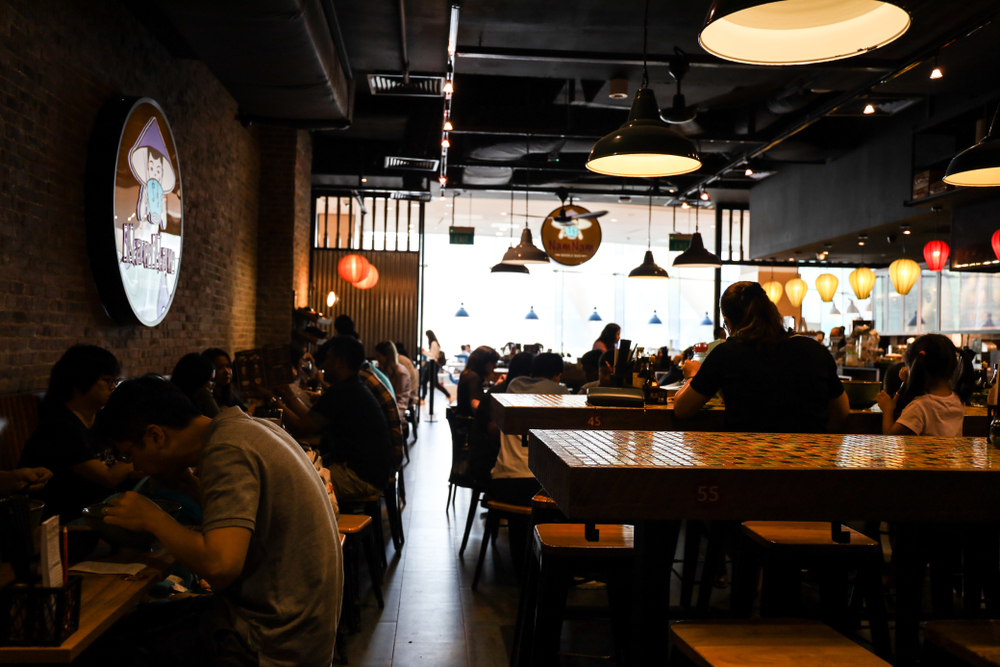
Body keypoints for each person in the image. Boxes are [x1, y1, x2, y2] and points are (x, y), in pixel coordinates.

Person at [92, 376, 341, 667]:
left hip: (273, 641)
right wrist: (190, 487)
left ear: (156, 436)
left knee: (111, 647)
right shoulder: (247, 427)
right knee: (138, 623)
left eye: (130, 453)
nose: (134, 466)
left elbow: (220, 566)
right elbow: (250, 522)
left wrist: (151, 516)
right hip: (303, 627)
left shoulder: (226, 450)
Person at [674, 282, 849, 433]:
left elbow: (682, 409)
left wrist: (692, 376)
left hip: (747, 463)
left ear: (727, 322)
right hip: (813, 464)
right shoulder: (815, 350)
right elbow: (841, 413)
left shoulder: (726, 353)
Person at [18, 345, 135, 523]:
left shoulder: (101, 418)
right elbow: (108, 478)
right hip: (65, 521)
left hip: (97, 511)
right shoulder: (60, 427)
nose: (113, 387)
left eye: (115, 381)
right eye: (107, 380)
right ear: (80, 381)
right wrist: (141, 454)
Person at [280, 337, 395, 499]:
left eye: (328, 359)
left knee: (292, 486)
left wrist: (271, 399)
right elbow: (308, 419)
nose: (324, 364)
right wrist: (286, 394)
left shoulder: (343, 392)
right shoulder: (352, 387)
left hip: (359, 478)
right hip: (372, 474)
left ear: (340, 362)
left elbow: (299, 428)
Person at [491, 352, 568, 574]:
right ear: (558, 375)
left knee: (521, 521)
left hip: (505, 481)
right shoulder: (561, 392)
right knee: (562, 505)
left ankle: (523, 574)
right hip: (540, 484)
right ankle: (557, 571)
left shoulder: (514, 385)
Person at [469, 352, 535, 489]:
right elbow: (494, 435)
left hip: (481, 460)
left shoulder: (496, 391)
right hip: (491, 466)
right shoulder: (505, 396)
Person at [876, 334, 964, 436]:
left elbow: (890, 435)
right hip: (950, 452)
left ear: (916, 369)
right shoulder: (958, 401)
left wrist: (887, 409)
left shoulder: (919, 407)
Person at [170, 353, 220, 418]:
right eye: (211, 380)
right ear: (199, 379)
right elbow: (218, 421)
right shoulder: (181, 408)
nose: (213, 385)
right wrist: (205, 394)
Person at [456, 346, 499, 417]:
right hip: (469, 425)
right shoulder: (474, 377)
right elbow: (475, 406)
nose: (495, 366)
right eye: (493, 363)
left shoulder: (467, 373)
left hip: (462, 422)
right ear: (484, 363)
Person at [374, 341, 411, 421]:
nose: (377, 359)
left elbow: (398, 396)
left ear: (387, 356)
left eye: (379, 356)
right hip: (388, 401)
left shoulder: (401, 372)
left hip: (400, 404)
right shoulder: (384, 369)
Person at [420, 330, 451, 404]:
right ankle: (423, 398)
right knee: (427, 382)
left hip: (433, 364)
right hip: (431, 364)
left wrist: (424, 352)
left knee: (433, 383)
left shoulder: (434, 343)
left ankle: (448, 395)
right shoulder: (434, 343)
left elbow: (432, 355)